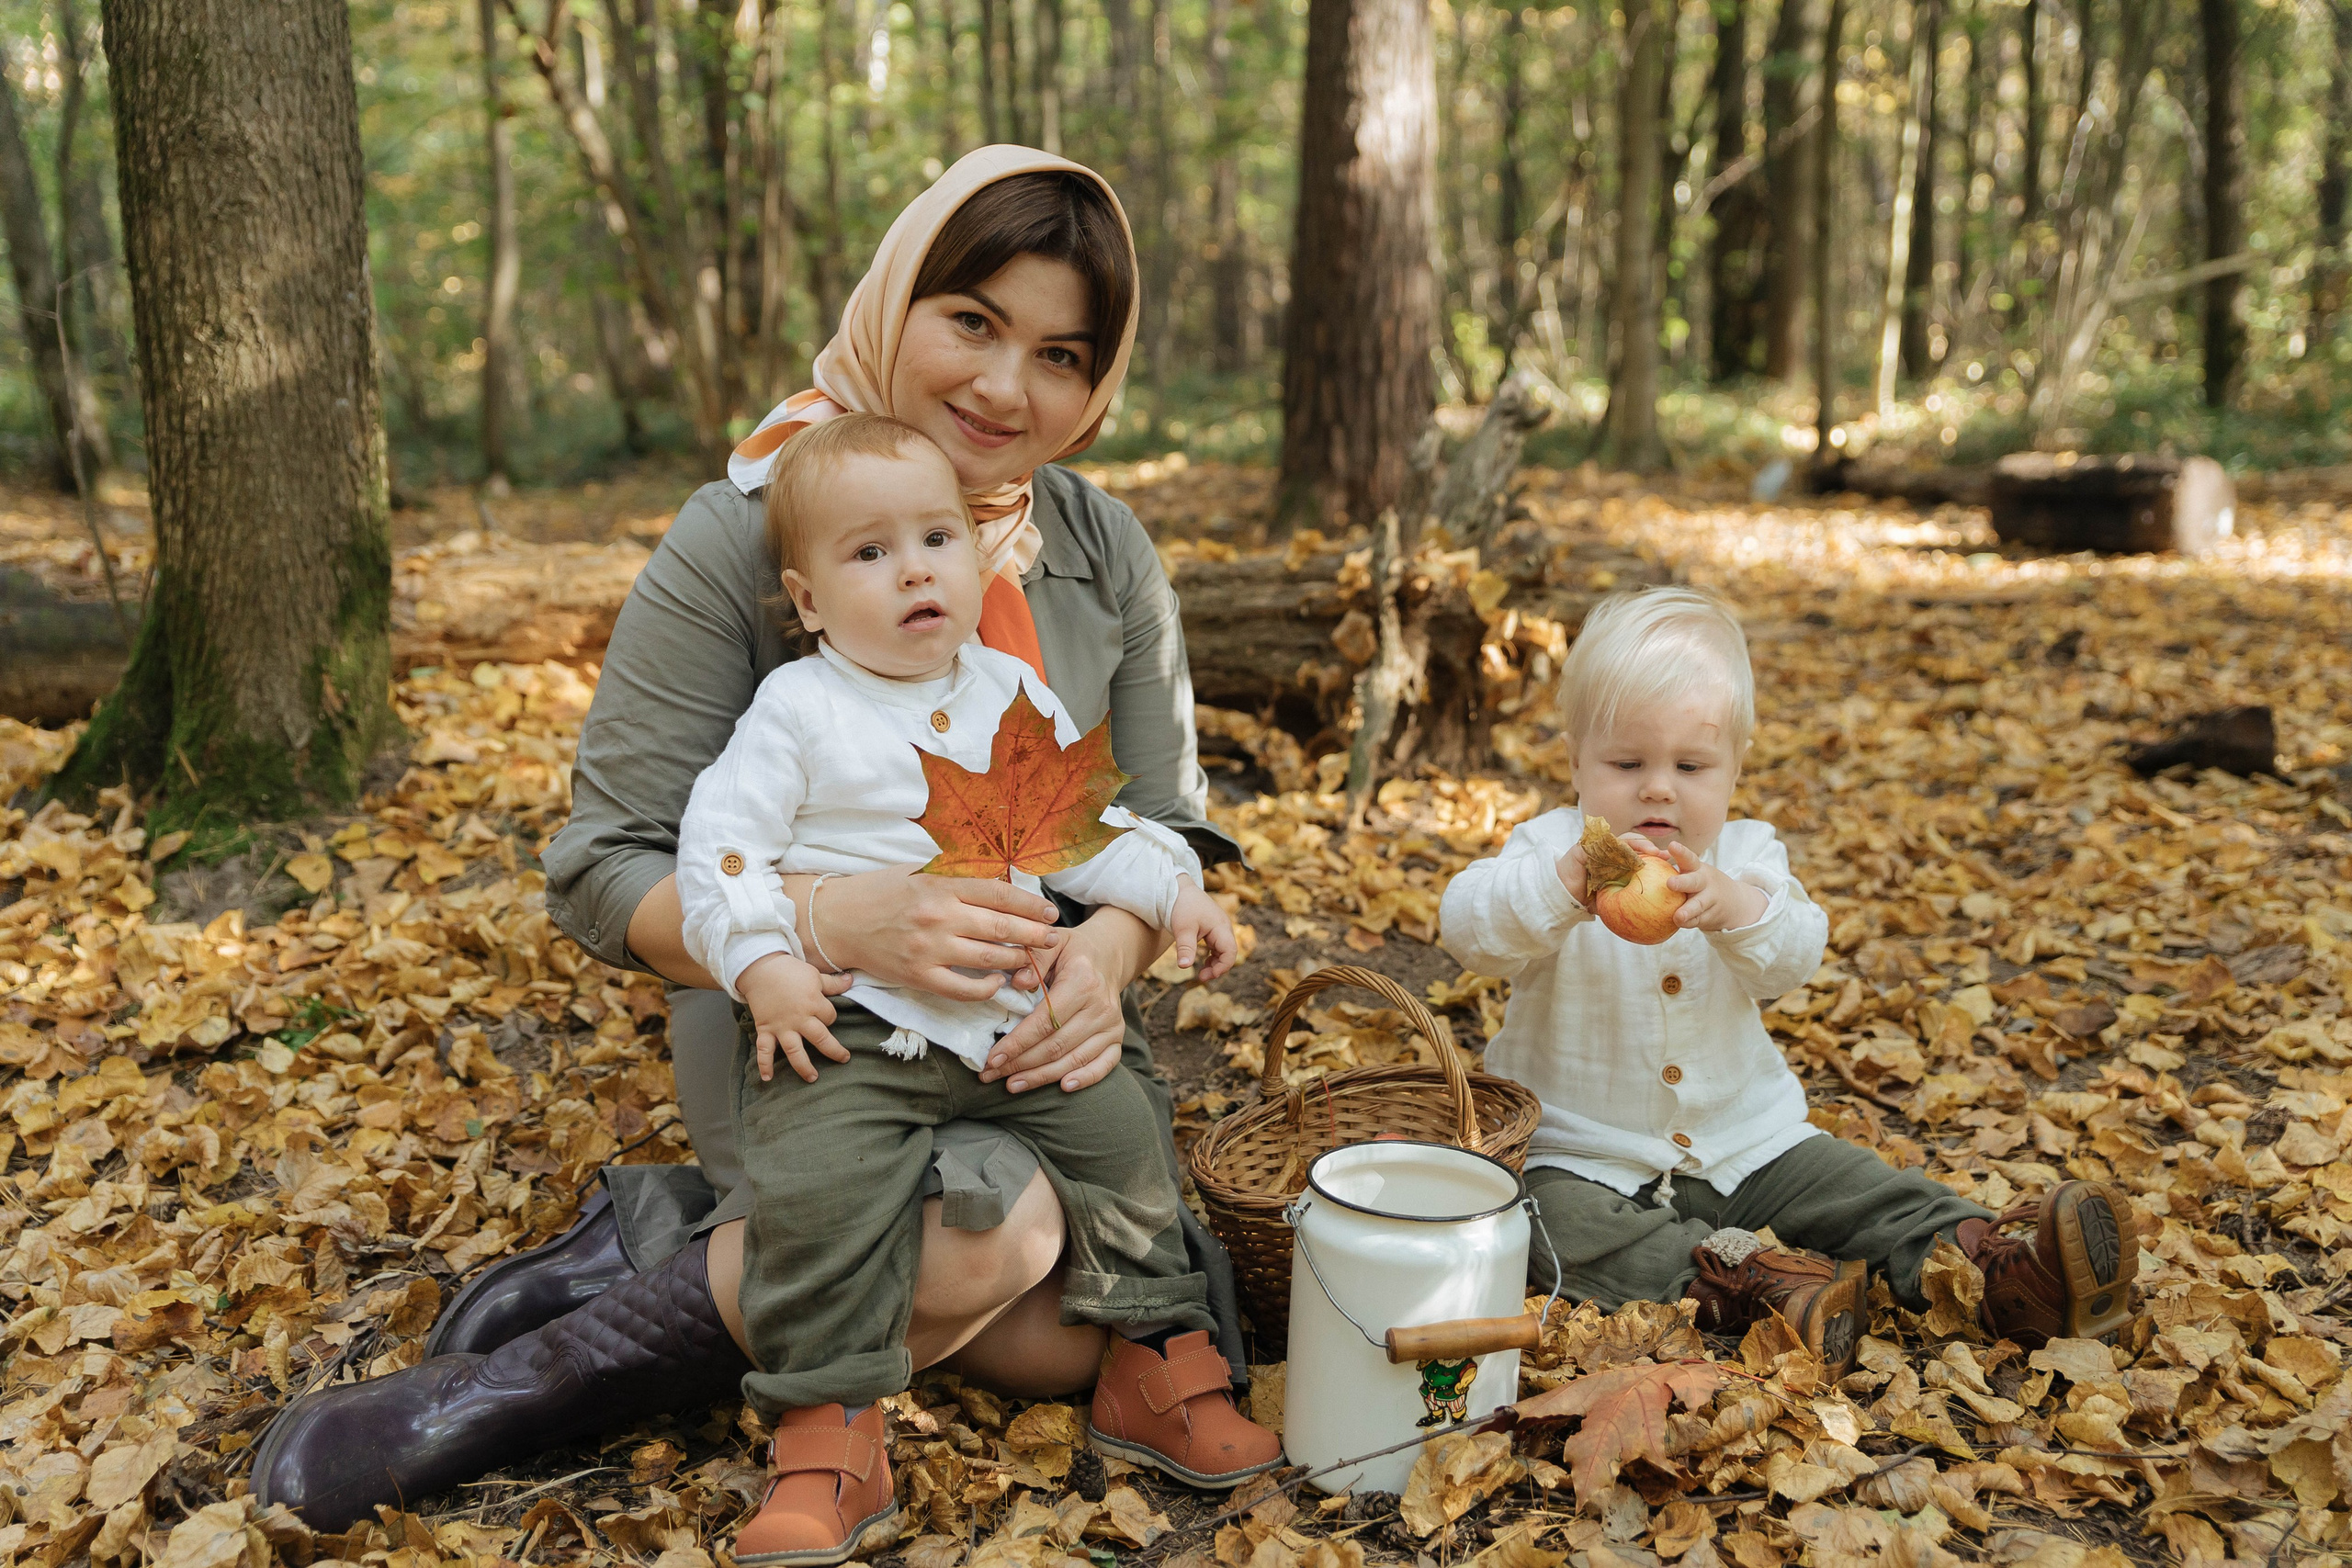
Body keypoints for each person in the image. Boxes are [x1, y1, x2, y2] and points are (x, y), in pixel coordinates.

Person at [253, 147, 1260, 1532]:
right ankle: (523, 1388)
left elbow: (1162, 823)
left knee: (1080, 1339)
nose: (1006, 387)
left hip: (1037, 1024)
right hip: (811, 1024)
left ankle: (671, 1247)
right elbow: (604, 863)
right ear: (900, 293)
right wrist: (834, 921)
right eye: (971, 321)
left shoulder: (1105, 551)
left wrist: (1113, 953)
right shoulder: (752, 532)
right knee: (1002, 1239)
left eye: (1061, 354)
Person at [678, 412, 1278, 1561]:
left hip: (1016, 1014)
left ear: (975, 554)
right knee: (818, 1185)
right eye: (869, 553)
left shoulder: (1011, 692)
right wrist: (763, 967)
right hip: (856, 1020)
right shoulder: (798, 711)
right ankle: (829, 1433)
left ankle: (1156, 1365)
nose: (913, 568)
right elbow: (723, 853)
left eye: (937, 538)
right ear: (809, 601)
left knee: (1123, 1133)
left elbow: (1088, 831)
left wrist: (1171, 891)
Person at [1437, 587, 2141, 1375]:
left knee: (1856, 1186)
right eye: (1626, 763)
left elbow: (1795, 953)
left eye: (1691, 765)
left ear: (1736, 767)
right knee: (1533, 1218)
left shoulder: (1745, 855)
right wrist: (1560, 888)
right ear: (1575, 761)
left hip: (1749, 1143)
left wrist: (1738, 908)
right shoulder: (1551, 849)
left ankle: (1992, 1267)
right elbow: (1469, 929)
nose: (1658, 788)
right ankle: (1751, 1289)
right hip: (1583, 1155)